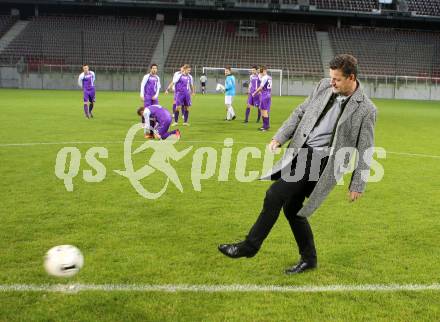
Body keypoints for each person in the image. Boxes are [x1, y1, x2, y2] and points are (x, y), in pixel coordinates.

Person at [218, 54, 377, 275]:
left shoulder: (366, 109)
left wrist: (357, 183)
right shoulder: (323, 86)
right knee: (293, 208)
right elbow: (301, 111)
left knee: (274, 194)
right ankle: (309, 259)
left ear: (351, 77)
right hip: (300, 150)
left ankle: (249, 246)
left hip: (322, 161)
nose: (332, 83)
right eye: (331, 78)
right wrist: (279, 137)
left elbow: (365, 148)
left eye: (337, 80)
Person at [252, 66, 271, 131]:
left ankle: (266, 126)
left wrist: (254, 93)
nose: (260, 72)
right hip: (268, 94)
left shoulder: (265, 77)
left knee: (264, 111)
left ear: (264, 70)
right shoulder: (269, 77)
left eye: (261, 71)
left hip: (264, 95)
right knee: (264, 110)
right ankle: (265, 125)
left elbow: (260, 87)